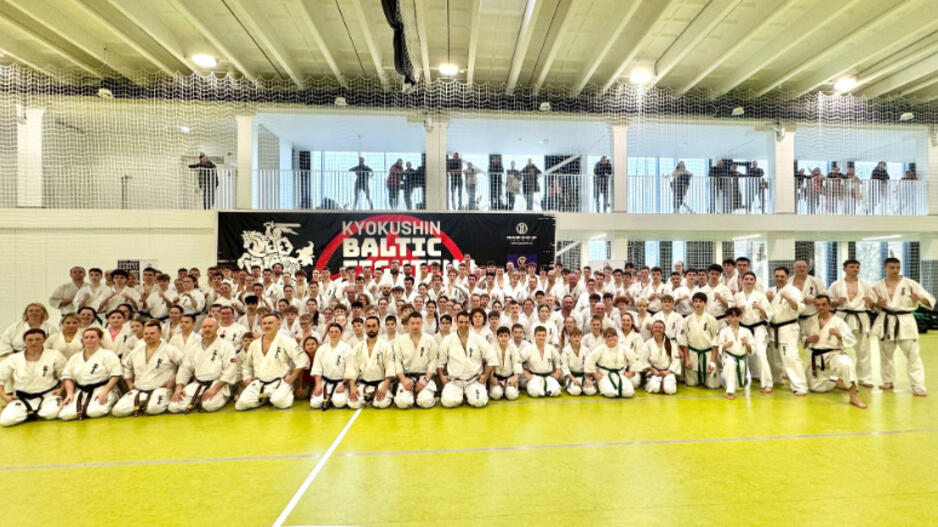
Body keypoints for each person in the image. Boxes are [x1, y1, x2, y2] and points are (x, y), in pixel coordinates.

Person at [871, 257, 933, 396]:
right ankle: (888, 381)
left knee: (913, 356)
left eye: (898, 267)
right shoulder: (877, 286)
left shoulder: (911, 284)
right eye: (892, 267)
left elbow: (929, 300)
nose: (895, 270)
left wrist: (920, 299)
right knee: (885, 355)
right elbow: (872, 306)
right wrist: (877, 304)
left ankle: (918, 386)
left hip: (905, 321)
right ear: (884, 268)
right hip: (886, 320)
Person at [802, 295, 867, 408]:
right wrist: (808, 339)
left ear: (829, 305)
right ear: (815, 306)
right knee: (815, 388)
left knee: (846, 364)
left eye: (824, 304)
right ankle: (836, 382)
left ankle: (853, 397)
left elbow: (851, 339)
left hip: (834, 353)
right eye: (818, 305)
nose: (821, 307)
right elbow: (803, 336)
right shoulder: (810, 320)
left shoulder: (838, 322)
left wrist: (839, 335)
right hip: (816, 356)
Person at [235, 313, 309, 410]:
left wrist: (292, 377)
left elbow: (302, 359)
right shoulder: (254, 344)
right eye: (264, 323)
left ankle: (279, 394)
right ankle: (265, 397)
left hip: (280, 382)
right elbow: (247, 364)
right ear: (261, 326)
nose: (267, 326)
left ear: (278, 325)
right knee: (241, 405)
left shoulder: (286, 340)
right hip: (260, 383)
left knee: (279, 402)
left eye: (270, 323)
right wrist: (247, 378)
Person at [168, 317, 239, 413]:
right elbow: (185, 368)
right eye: (204, 327)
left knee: (208, 406)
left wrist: (215, 388)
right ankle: (198, 399)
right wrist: (179, 387)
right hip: (198, 384)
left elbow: (231, 369)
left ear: (217, 328)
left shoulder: (226, 345)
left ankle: (217, 397)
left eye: (210, 326)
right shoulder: (194, 347)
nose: (207, 329)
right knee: (174, 406)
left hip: (218, 384)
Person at [112, 321, 182, 417]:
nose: (149, 336)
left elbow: (185, 365)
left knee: (154, 409)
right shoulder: (136, 351)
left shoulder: (169, 349)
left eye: (152, 333)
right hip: (139, 388)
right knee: (117, 411)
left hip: (161, 388)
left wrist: (173, 380)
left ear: (160, 334)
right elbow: (126, 366)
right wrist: (129, 383)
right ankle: (144, 404)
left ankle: (146, 404)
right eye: (146, 334)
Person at [0, 329, 66, 426]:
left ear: (44, 340)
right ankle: (30, 413)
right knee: (6, 421)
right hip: (22, 397)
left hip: (48, 395)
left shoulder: (55, 355)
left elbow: (65, 375)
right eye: (30, 340)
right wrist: (5, 397)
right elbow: (1, 378)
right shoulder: (14, 358)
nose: (34, 342)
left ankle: (31, 413)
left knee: (51, 414)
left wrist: (61, 389)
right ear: (24, 341)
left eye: (38, 339)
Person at [828, 259, 875, 387]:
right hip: (842, 317)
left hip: (861, 317)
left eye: (857, 267)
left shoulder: (865, 285)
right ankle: (836, 377)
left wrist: (870, 302)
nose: (855, 269)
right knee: (836, 348)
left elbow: (873, 306)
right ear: (844, 269)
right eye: (852, 266)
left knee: (863, 350)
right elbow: (828, 303)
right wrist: (837, 302)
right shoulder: (836, 285)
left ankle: (865, 378)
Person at [437, 311, 498, 408]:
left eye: (466, 322)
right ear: (456, 322)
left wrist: (485, 376)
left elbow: (492, 357)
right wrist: (442, 376)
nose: (463, 325)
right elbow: (440, 362)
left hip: (474, 380)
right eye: (461, 322)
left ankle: (469, 394)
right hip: (454, 381)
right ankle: (461, 395)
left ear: (470, 322)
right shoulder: (448, 340)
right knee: (448, 402)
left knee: (479, 402)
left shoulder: (478, 339)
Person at [59, 327, 121, 420]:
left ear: (100, 339)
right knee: (66, 415)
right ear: (83, 340)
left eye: (92, 337)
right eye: (86, 337)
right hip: (81, 391)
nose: (89, 340)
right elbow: (67, 376)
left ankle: (112, 400)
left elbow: (115, 375)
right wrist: (70, 394)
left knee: (94, 412)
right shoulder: (75, 357)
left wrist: (105, 391)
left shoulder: (108, 355)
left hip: (102, 389)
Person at [765, 266, 808, 395]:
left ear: (788, 277)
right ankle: (776, 379)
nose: (779, 278)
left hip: (788, 328)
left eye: (782, 276)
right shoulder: (771, 291)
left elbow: (799, 308)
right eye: (777, 276)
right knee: (773, 357)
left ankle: (800, 386)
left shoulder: (793, 291)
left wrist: (789, 298)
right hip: (773, 328)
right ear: (773, 277)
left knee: (790, 357)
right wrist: (768, 300)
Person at [344, 316, 395, 409]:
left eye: (374, 326)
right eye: (368, 326)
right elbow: (352, 368)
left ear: (379, 327)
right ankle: (368, 397)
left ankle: (374, 397)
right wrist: (352, 387)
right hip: (363, 383)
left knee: (381, 404)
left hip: (381, 383)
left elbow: (390, 368)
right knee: (353, 404)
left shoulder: (385, 346)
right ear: (365, 327)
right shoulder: (358, 347)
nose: (371, 329)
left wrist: (384, 387)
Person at [735, 271, 773, 393]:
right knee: (739, 354)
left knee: (761, 355)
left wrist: (760, 308)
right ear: (742, 281)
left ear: (755, 282)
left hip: (758, 329)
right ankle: (738, 380)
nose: (749, 281)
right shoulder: (737, 296)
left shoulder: (761, 297)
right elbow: (731, 315)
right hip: (742, 329)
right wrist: (738, 310)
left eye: (751, 279)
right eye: (746, 279)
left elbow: (769, 316)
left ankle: (767, 383)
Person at [392, 312, 439, 408]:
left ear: (422, 323)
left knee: (425, 402)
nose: (415, 326)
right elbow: (397, 362)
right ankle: (410, 396)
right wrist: (403, 380)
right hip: (407, 378)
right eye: (412, 323)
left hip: (424, 377)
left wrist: (426, 380)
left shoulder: (430, 339)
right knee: (402, 403)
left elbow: (433, 361)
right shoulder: (400, 340)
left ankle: (426, 396)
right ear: (408, 324)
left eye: (418, 323)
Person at [679, 292, 719, 389]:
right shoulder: (687, 320)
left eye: (700, 301)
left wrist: (713, 362)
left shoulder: (711, 319)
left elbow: (716, 342)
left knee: (712, 386)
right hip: (692, 354)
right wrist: (687, 360)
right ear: (692, 303)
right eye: (695, 301)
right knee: (691, 384)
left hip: (708, 354)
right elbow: (684, 342)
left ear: (705, 303)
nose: (698, 304)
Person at [310, 323, 353, 409]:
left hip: (341, 382)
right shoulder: (322, 349)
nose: (334, 334)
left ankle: (333, 397)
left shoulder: (347, 348)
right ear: (328, 333)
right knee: (314, 404)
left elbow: (350, 368)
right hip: (325, 382)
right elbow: (317, 369)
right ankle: (329, 397)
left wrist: (344, 384)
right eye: (331, 332)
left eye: (336, 332)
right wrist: (318, 385)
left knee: (339, 403)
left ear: (341, 333)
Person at [585, 328, 634, 398]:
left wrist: (631, 372)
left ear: (617, 337)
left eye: (613, 336)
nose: (611, 338)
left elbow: (634, 359)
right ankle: (601, 386)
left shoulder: (623, 348)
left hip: (620, 375)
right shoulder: (601, 348)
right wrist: (595, 374)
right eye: (608, 336)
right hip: (605, 376)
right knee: (610, 393)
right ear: (605, 339)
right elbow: (589, 360)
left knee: (628, 393)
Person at [718, 307, 753, 399]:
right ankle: (730, 392)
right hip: (728, 357)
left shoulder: (746, 331)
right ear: (728, 317)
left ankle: (723, 377)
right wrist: (725, 346)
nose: (735, 319)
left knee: (739, 387)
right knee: (731, 363)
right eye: (732, 316)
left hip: (741, 360)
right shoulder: (724, 331)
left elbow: (752, 350)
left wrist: (746, 344)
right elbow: (719, 348)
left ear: (740, 317)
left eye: (737, 316)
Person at [520, 326, 562, 398]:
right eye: (539, 335)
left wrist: (558, 370)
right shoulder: (529, 349)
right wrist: (525, 372)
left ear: (546, 336)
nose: (541, 337)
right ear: (534, 336)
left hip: (549, 376)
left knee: (557, 392)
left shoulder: (550, 348)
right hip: (534, 377)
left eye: (543, 335)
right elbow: (517, 361)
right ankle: (533, 386)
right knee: (534, 393)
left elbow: (558, 359)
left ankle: (544, 390)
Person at [644, 321, 678, 395]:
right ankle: (651, 383)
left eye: (660, 327)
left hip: (668, 372)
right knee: (655, 388)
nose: (658, 329)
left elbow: (676, 360)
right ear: (652, 329)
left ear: (664, 330)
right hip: (654, 372)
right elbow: (644, 361)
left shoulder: (671, 343)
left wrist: (668, 371)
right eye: (655, 327)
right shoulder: (647, 344)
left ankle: (668, 382)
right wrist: (653, 370)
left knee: (668, 389)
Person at [489, 326, 522, 400]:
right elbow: (490, 364)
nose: (503, 338)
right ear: (497, 337)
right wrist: (491, 378)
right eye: (501, 336)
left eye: (506, 336)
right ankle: (501, 389)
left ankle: (506, 389)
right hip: (496, 378)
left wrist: (516, 378)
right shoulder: (492, 347)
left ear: (509, 337)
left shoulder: (513, 348)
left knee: (511, 395)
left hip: (510, 377)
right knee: (496, 395)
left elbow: (517, 363)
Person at [561, 328, 595, 396]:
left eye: (578, 336)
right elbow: (565, 367)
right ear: (570, 338)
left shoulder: (586, 350)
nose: (576, 338)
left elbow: (589, 365)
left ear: (581, 337)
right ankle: (572, 387)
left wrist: (588, 378)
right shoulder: (566, 350)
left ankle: (583, 387)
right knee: (576, 391)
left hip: (584, 376)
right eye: (574, 336)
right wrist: (573, 379)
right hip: (571, 377)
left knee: (590, 391)